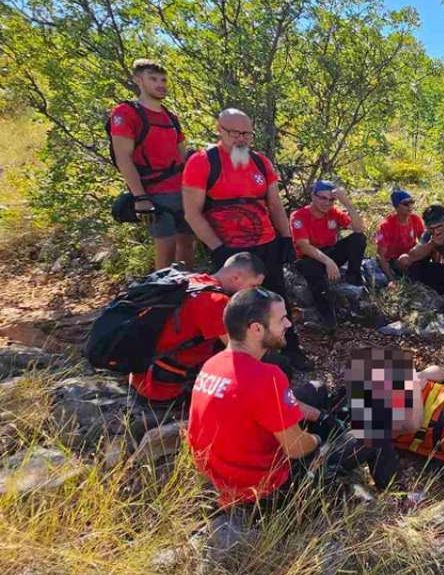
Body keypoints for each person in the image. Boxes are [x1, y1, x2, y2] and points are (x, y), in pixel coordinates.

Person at [188, 288, 396, 510]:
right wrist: (318, 439)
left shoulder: (212, 365)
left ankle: (335, 435)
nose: (288, 324)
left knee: (316, 390)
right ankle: (398, 495)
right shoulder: (267, 377)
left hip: (224, 477)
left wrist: (317, 415)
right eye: (281, 319)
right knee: (375, 427)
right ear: (256, 329)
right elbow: (297, 448)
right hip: (269, 493)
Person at [181, 108, 312, 370]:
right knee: (236, 307)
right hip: (230, 251)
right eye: (234, 133)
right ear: (219, 130)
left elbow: (275, 205)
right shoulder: (202, 162)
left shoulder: (261, 162)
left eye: (247, 134)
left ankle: (290, 348)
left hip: (266, 244)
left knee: (277, 298)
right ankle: (242, 359)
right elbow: (192, 213)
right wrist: (217, 248)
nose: (241, 139)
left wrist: (286, 238)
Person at [128, 252, 266, 438]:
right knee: (266, 367)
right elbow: (241, 352)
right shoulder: (214, 300)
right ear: (236, 277)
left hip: (143, 373)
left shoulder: (193, 280)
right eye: (253, 286)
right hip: (162, 388)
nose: (252, 293)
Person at [109, 59, 193, 269]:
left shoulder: (170, 117)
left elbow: (182, 155)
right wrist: (140, 197)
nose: (160, 84)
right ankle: (161, 289)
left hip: (182, 192)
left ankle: (188, 288)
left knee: (187, 247)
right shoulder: (126, 113)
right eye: (153, 79)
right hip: (154, 193)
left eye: (163, 80)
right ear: (138, 80)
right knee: (166, 248)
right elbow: (123, 157)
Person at [290, 181, 367, 328]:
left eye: (331, 200)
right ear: (313, 196)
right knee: (313, 272)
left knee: (358, 239)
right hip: (309, 257)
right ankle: (328, 319)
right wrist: (328, 262)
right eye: (323, 198)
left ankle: (353, 279)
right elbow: (303, 246)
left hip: (329, 251)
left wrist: (347, 204)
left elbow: (359, 229)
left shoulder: (334, 212)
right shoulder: (299, 216)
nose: (327, 203)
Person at [374, 187, 424, 283]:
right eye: (406, 204)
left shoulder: (415, 219)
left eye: (411, 202)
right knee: (404, 260)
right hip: (395, 261)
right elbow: (380, 256)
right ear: (396, 207)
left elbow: (423, 241)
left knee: (434, 245)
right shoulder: (384, 226)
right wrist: (391, 279)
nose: (410, 206)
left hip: (412, 255)